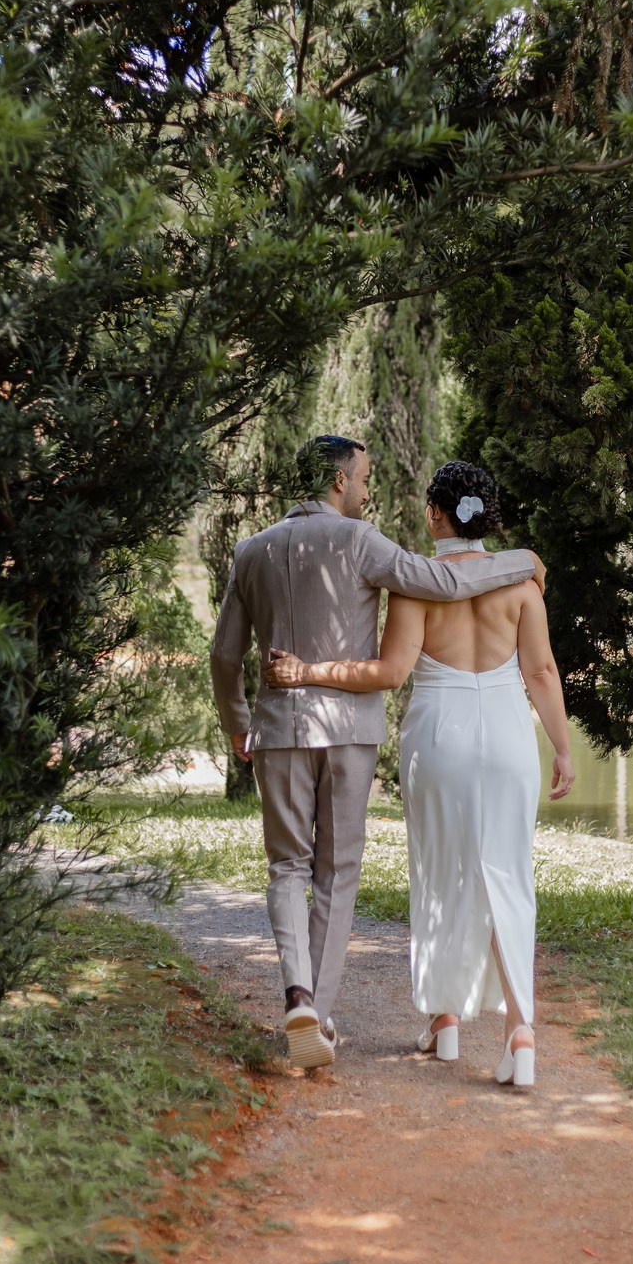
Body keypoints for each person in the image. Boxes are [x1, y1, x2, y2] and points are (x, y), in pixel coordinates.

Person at [210, 436, 543, 1072]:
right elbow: (446, 579)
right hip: (351, 733)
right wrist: (523, 560)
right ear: (338, 481)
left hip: (279, 730)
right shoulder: (361, 542)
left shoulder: (250, 551)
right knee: (336, 873)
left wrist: (238, 724)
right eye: (362, 479)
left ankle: (298, 994)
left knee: (287, 869)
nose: (366, 491)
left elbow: (225, 655)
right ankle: (321, 1015)